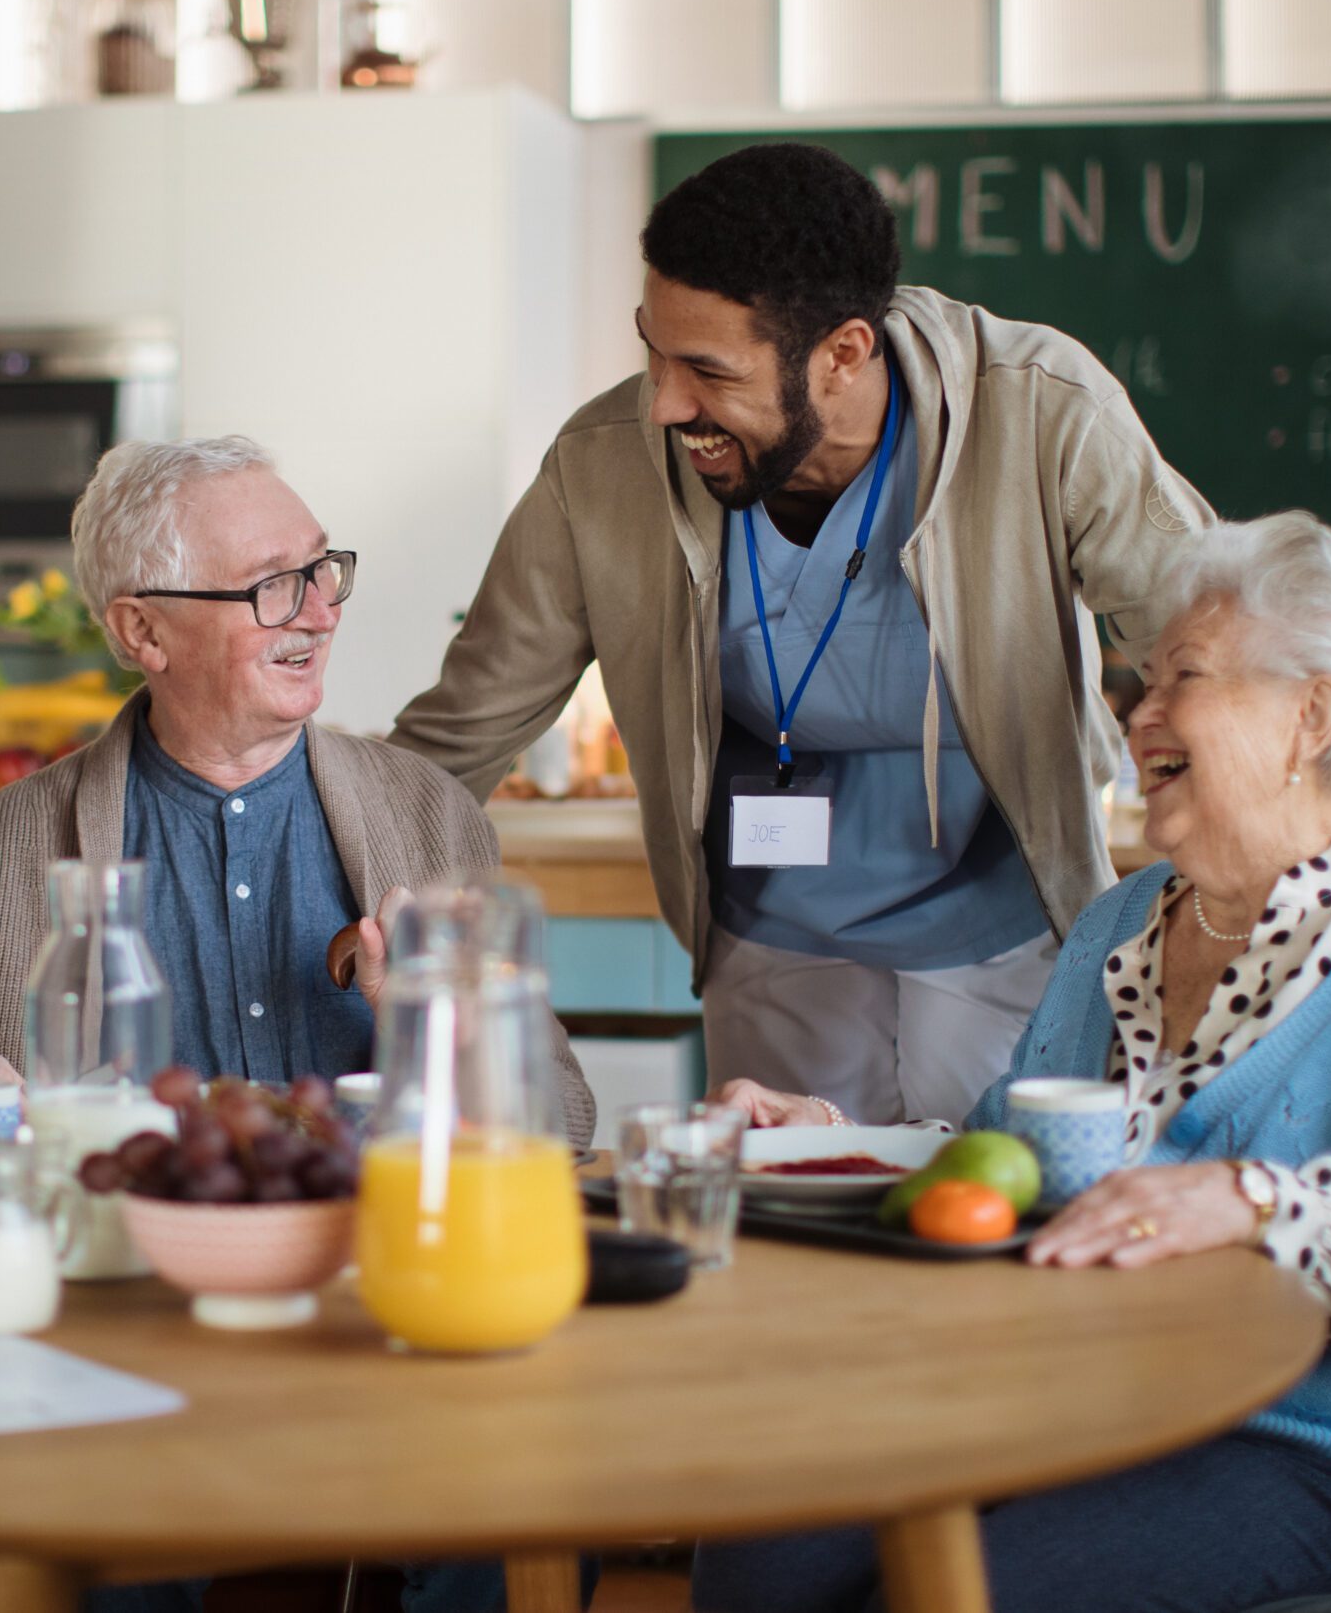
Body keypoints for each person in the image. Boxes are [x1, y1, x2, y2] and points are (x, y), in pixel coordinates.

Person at [697, 514, 1331, 1613]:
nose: (1135, 714)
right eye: (1138, 681)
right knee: (768, 1536)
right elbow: (1009, 1161)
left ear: (1312, 715)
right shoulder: (1120, 924)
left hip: (1317, 1446)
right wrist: (835, 1142)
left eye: (1179, 676)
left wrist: (1244, 1200)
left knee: (970, 1595)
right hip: (1081, 1398)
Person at [389, 142, 1217, 1127]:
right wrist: (354, 886)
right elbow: (457, 734)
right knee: (793, 1227)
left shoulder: (1039, 410)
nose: (663, 404)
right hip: (773, 935)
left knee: (988, 1221)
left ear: (843, 355)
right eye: (651, 350)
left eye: (706, 369)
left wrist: (1216, 891)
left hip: (1003, 931)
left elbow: (1215, 642)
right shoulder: (603, 468)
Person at [0, 434, 594, 1148]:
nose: (321, 611)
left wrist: (436, 1030)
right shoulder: (2, 849)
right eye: (272, 585)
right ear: (145, 631)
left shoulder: (433, 815)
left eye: (320, 568)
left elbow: (564, 1121)